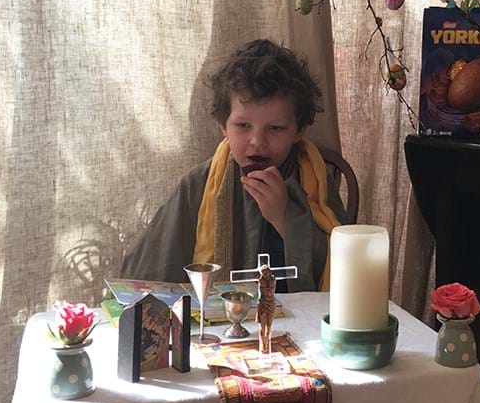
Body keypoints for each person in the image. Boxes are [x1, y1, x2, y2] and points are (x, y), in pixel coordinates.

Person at [120, 39, 346, 292]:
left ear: (299, 130)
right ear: (222, 125)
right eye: (243, 126)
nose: (257, 142)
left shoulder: (315, 183)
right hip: (220, 325)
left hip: (299, 326)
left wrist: (285, 217)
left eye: (276, 128)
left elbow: (346, 272)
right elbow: (147, 273)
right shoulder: (199, 184)